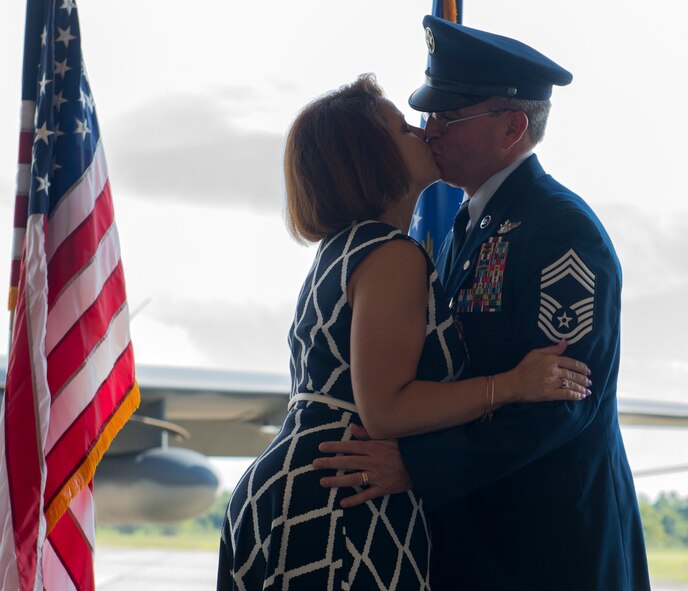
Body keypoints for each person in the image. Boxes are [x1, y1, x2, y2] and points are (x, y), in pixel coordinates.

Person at [312, 17, 651, 590]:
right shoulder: (464, 227)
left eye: (449, 116)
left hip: (547, 551)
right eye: (428, 114)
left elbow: (562, 403)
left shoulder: (560, 231)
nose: (429, 130)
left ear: (512, 127)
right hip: (483, 545)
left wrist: (417, 467)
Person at [216, 74, 592, 590]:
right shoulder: (393, 254)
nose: (424, 131)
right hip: (340, 504)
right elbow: (386, 409)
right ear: (371, 157)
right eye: (403, 129)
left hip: (307, 490)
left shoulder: (345, 249)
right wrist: (511, 385)